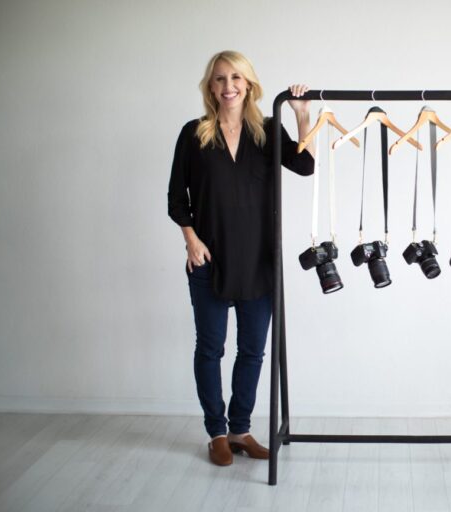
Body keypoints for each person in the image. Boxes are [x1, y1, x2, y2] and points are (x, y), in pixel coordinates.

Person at [167, 50, 315, 466]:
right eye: (219, 79)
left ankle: (240, 430)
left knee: (252, 350)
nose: (227, 85)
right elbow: (176, 198)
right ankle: (216, 432)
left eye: (235, 77)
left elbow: (304, 165)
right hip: (209, 259)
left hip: (259, 260)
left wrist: (302, 114)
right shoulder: (193, 134)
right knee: (210, 348)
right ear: (210, 87)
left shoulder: (266, 131)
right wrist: (190, 240)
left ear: (248, 84)